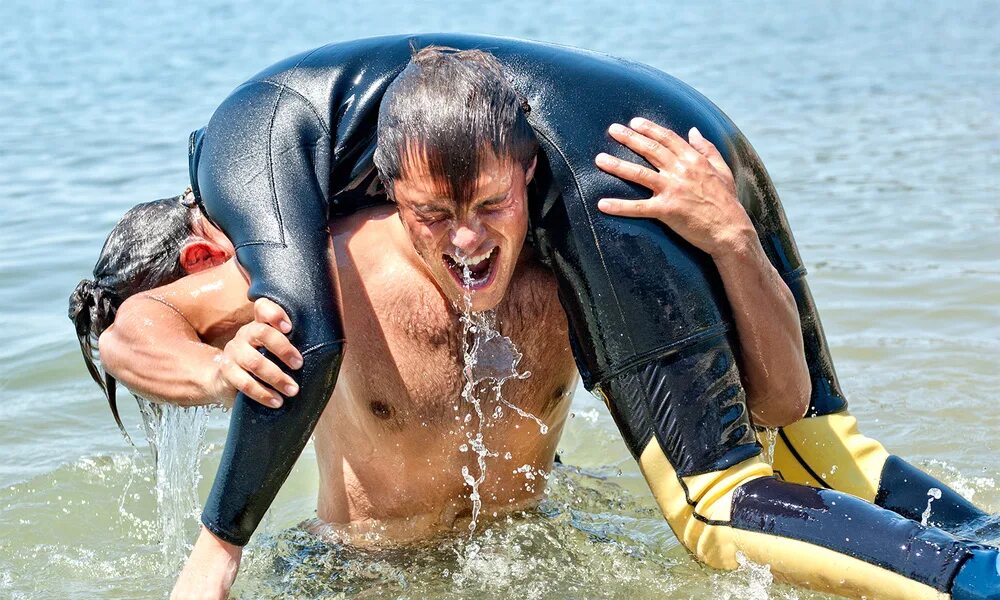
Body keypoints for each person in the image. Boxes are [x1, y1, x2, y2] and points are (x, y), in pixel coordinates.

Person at [95, 42, 998, 600]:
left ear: (531, 178)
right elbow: (132, 326)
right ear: (389, 196)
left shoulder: (590, 267)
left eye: (490, 207)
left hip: (544, 543)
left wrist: (731, 241)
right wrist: (218, 373)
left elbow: (785, 405)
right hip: (362, 575)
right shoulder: (339, 266)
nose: (467, 244)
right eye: (433, 217)